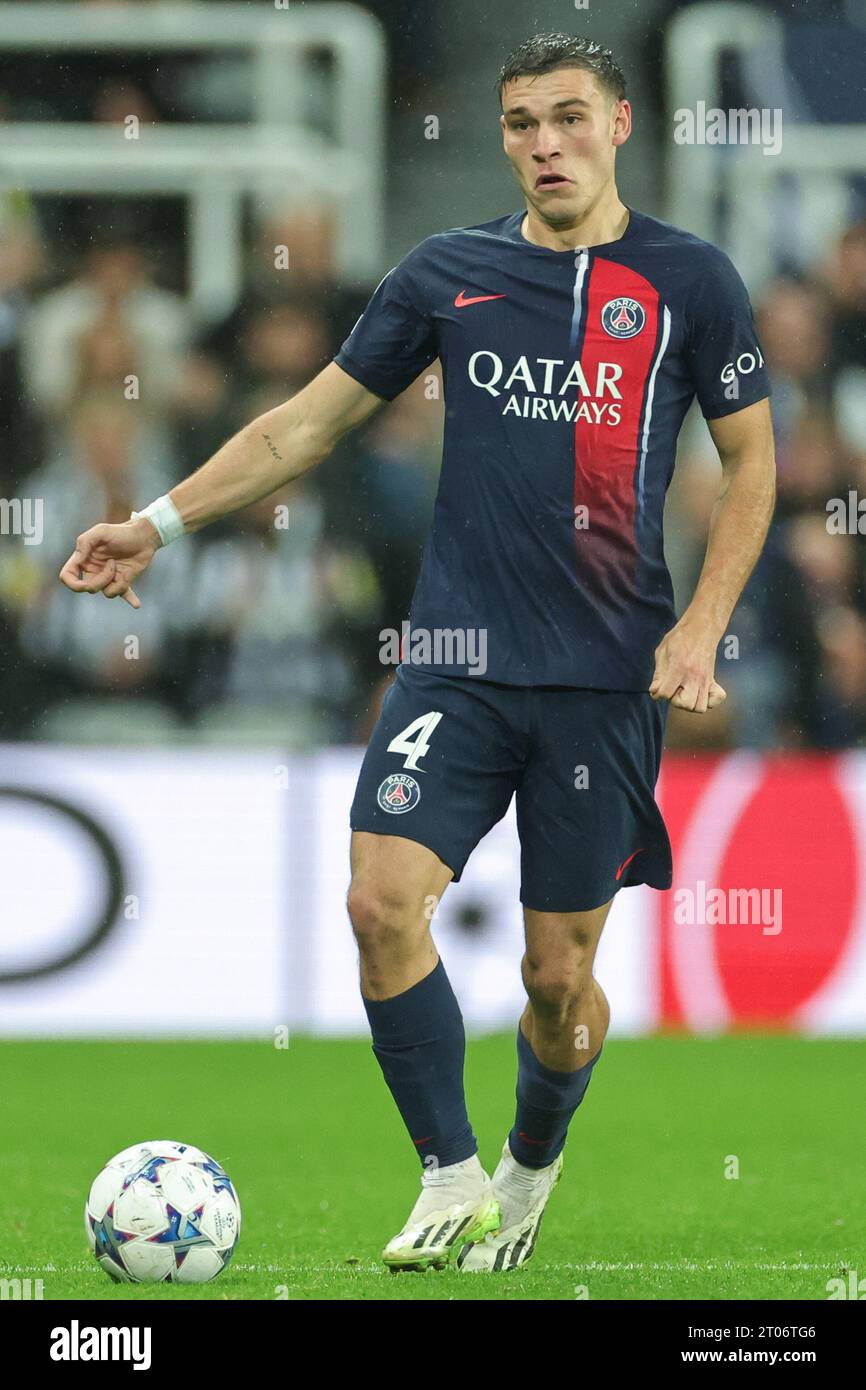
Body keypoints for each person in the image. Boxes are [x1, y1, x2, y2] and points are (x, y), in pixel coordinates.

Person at [59, 32, 776, 1274]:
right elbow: (300, 428)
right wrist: (157, 524)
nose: (542, 143)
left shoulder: (688, 280)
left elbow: (752, 460)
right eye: (516, 123)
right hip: (453, 662)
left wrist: (701, 624)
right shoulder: (446, 273)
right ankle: (446, 1172)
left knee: (558, 984)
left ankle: (529, 1160)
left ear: (615, 123)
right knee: (379, 902)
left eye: (565, 118)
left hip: (600, 680)